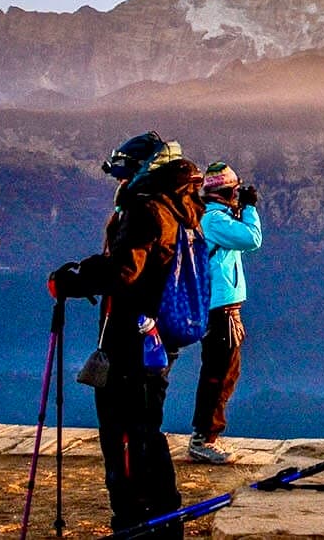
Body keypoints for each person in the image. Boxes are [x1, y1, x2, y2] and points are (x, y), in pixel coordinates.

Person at [49, 133, 203, 536]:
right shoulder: (181, 206)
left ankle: (132, 524)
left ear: (142, 171)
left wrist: (73, 280)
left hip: (130, 341)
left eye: (123, 174)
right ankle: (164, 522)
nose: (119, 182)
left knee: (123, 434)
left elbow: (124, 271)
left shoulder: (145, 209)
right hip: (159, 336)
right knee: (146, 430)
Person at [188, 162, 263, 464]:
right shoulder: (214, 220)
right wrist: (250, 209)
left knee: (224, 370)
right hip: (220, 309)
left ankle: (206, 434)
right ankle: (204, 438)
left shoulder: (212, 217)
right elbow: (252, 239)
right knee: (220, 373)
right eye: (235, 190)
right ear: (227, 191)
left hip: (220, 306)